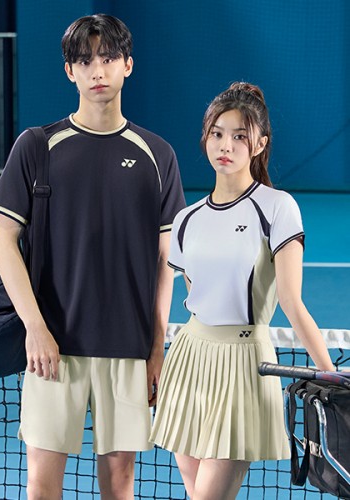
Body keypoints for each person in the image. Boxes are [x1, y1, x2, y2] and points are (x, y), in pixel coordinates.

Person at [0, 14, 186, 499]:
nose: (98, 70)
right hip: (53, 347)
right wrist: (35, 328)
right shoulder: (37, 146)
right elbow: (3, 241)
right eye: (84, 61)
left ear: (128, 65)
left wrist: (156, 347)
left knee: (120, 482)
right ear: (69, 72)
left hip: (128, 348)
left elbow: (166, 260)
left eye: (109, 58)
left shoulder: (158, 155)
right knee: (42, 481)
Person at [150, 82, 335, 500]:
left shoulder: (278, 208)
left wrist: (330, 376)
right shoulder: (186, 219)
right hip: (188, 360)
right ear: (205, 138)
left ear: (260, 144)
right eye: (217, 133)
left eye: (239, 136)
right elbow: (193, 296)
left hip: (245, 365)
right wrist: (154, 354)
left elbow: (291, 301)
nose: (226, 145)